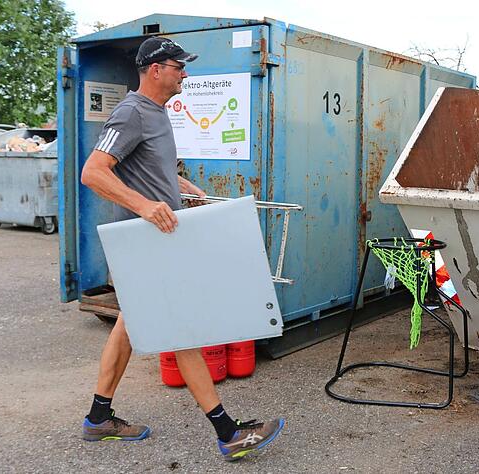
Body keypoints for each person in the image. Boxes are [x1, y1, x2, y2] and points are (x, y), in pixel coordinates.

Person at [79, 36, 284, 462]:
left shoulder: (155, 112)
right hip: (146, 245)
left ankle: (99, 418)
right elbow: (93, 172)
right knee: (182, 330)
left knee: (130, 326)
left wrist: (179, 187)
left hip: (154, 243)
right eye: (178, 67)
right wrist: (146, 206)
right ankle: (228, 433)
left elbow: (146, 168)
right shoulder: (132, 112)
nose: (185, 74)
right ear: (155, 70)